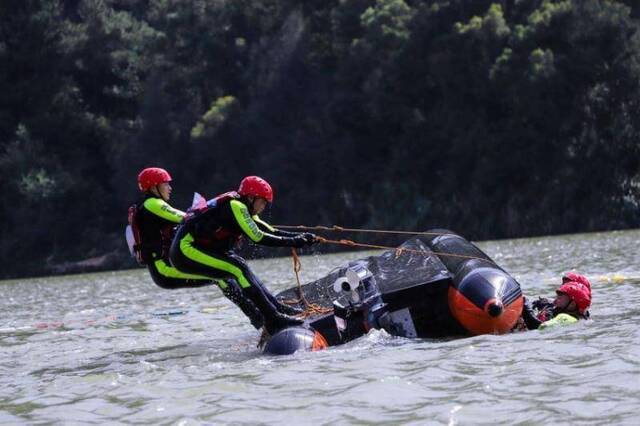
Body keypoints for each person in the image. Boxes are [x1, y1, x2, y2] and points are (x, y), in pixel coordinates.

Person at [169, 175, 317, 334]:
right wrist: (294, 241)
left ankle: (276, 308)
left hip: (195, 249)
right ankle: (273, 319)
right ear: (252, 197)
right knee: (238, 269)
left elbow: (269, 230)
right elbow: (258, 237)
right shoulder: (235, 205)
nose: (264, 207)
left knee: (241, 266)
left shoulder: (243, 207)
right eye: (263, 202)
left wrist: (301, 237)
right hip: (185, 250)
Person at [129, 168, 267, 330]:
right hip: (164, 269)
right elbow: (187, 218)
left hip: (166, 266)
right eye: (166, 184)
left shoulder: (149, 205)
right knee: (222, 276)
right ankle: (258, 319)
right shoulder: (152, 204)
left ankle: (259, 313)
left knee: (227, 273)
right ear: (154, 187)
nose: (170, 188)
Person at [517, 272, 592, 331]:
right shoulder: (577, 316)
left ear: (572, 304)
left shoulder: (564, 317)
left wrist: (526, 308)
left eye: (559, 298)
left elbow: (541, 327)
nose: (555, 301)